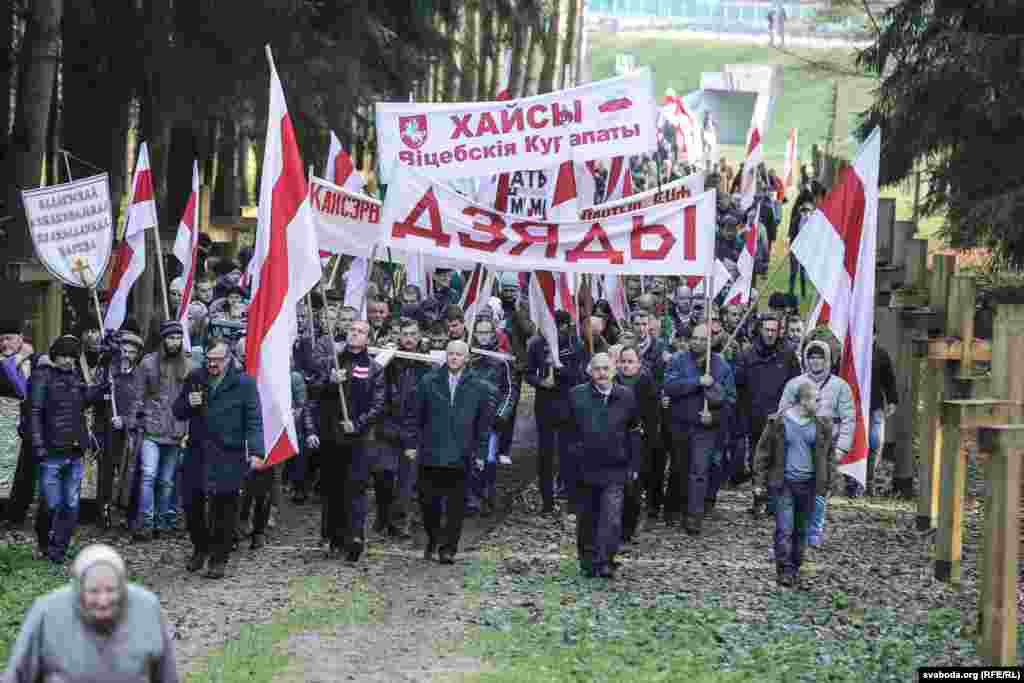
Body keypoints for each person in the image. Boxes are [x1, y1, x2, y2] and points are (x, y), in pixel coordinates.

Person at [3, 544, 179, 682]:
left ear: (123, 587)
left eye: (111, 590)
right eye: (93, 591)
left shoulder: (146, 609)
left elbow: (167, 676)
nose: (103, 601)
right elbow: (17, 675)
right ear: (78, 590)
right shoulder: (48, 612)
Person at [173, 340, 264, 579]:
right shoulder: (195, 377)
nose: (213, 364)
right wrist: (187, 404)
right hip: (198, 450)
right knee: (192, 503)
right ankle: (200, 547)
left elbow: (254, 419)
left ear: (229, 359)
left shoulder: (244, 383)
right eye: (209, 359)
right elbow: (178, 410)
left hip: (229, 452)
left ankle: (219, 558)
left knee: (225, 506)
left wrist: (256, 451)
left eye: (218, 359)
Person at [306, 319, 385, 562]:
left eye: (361, 331)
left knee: (356, 489)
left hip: (359, 440)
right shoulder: (331, 362)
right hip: (332, 437)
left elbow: (378, 404)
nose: (355, 334)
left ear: (367, 338)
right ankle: (331, 536)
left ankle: (355, 538)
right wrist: (329, 382)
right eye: (352, 330)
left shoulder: (374, 368)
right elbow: (314, 396)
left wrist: (358, 423)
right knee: (332, 490)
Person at [408, 340, 492, 564]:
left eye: (459, 354)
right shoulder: (429, 382)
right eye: (451, 353)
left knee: (456, 506)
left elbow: (483, 425)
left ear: (467, 358)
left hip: (461, 454)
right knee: (429, 502)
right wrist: (411, 444)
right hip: (431, 452)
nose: (454, 358)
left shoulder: (479, 386)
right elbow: (416, 416)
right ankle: (434, 538)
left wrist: (481, 453)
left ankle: (449, 548)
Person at [29, 335, 111, 563]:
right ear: (55, 355)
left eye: (72, 357)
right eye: (63, 355)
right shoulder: (42, 376)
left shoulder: (75, 378)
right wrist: (38, 445)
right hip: (51, 451)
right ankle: (45, 542)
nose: (67, 360)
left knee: (71, 506)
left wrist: (103, 380)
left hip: (74, 450)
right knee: (51, 505)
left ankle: (58, 552)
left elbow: (86, 399)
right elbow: (34, 412)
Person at [753, 380, 835, 587]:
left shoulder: (822, 426)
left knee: (801, 529)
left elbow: (828, 457)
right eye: (816, 400)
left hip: (809, 485)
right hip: (784, 483)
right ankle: (784, 570)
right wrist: (759, 481)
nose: (820, 404)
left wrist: (829, 481)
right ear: (804, 400)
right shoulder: (778, 423)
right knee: (784, 528)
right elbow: (762, 453)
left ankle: (795, 566)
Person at [777, 341, 854, 548]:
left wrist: (841, 448)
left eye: (820, 357)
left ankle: (815, 530)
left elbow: (848, 418)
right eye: (812, 357)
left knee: (820, 490)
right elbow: (782, 412)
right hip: (799, 443)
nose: (816, 361)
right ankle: (792, 528)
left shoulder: (840, 386)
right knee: (795, 488)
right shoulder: (795, 384)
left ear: (828, 360)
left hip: (827, 445)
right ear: (805, 359)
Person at [568, 353, 639, 579]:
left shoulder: (626, 396)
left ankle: (606, 559)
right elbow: (567, 430)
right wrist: (573, 456)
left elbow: (634, 430)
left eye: (606, 368)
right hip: (585, 466)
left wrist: (634, 463)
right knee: (587, 516)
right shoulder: (577, 395)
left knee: (611, 516)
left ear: (614, 370)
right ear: (590, 371)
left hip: (615, 467)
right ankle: (588, 560)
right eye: (597, 368)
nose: (601, 373)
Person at [662, 323, 736, 535]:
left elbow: (730, 400)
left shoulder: (721, 366)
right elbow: (670, 386)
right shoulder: (678, 360)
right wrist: (697, 382)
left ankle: (694, 516)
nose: (697, 342)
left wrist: (713, 417)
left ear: (710, 342)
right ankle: (676, 508)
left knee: (699, 471)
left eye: (703, 339)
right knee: (680, 468)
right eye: (695, 338)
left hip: (704, 429)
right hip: (680, 424)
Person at [525, 310, 589, 514]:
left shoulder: (575, 345)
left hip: (568, 406)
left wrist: (558, 368)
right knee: (545, 455)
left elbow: (579, 375)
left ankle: (570, 498)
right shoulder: (536, 345)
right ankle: (547, 502)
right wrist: (540, 381)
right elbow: (527, 372)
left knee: (568, 454)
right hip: (545, 406)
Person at [132, 321, 191, 541]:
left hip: (176, 431)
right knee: (148, 475)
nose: (174, 342)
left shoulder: (188, 366)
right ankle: (145, 522)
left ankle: (161, 521)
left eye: (178, 338)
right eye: (171, 337)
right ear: (163, 339)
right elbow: (138, 396)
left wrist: (188, 429)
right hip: (152, 429)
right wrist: (137, 421)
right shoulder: (148, 363)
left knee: (167, 481)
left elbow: (191, 401)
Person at [734, 313, 802, 501]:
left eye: (774, 330)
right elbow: (739, 385)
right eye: (767, 329)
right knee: (757, 459)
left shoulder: (787, 354)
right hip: (754, 416)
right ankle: (758, 496)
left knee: (778, 459)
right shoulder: (747, 354)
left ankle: (774, 499)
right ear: (760, 330)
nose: (770, 334)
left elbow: (796, 384)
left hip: (780, 416)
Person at [376, 318, 431, 537]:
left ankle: (401, 521)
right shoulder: (389, 361)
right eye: (405, 334)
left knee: (407, 480)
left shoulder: (425, 363)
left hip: (413, 430)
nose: (409, 339)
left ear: (419, 336)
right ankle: (383, 515)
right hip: (389, 426)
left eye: (413, 334)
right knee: (384, 474)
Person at [466, 317, 519, 516]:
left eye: (487, 332)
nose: (483, 336)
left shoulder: (502, 360)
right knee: (469, 458)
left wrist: (502, 414)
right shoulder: (469, 357)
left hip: (491, 419)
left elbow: (511, 390)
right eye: (479, 332)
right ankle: (471, 499)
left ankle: (487, 495)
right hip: (469, 417)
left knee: (488, 459)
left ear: (493, 333)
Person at [614, 345, 659, 544]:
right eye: (623, 361)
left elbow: (652, 417)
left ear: (638, 364)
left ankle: (628, 528)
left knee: (633, 488)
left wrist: (646, 442)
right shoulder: (612, 382)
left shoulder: (645, 383)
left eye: (630, 362)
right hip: (615, 442)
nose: (626, 366)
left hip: (638, 443)